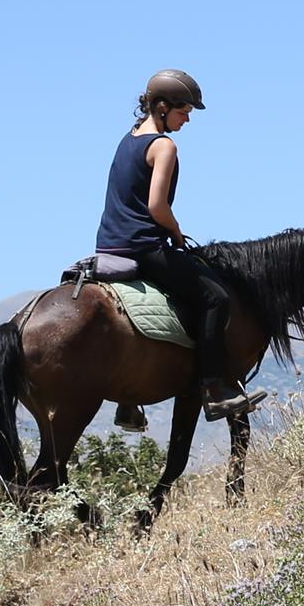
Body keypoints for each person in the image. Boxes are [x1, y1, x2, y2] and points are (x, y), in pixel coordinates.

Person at [96, 68, 245, 414]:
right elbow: (157, 206)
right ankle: (214, 389)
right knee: (215, 298)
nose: (187, 120)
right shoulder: (164, 146)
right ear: (162, 107)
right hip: (143, 247)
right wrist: (176, 231)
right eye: (184, 112)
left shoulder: (129, 137)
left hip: (109, 244)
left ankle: (129, 400)